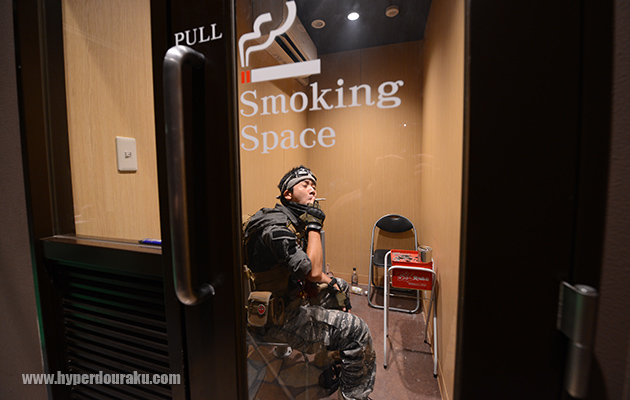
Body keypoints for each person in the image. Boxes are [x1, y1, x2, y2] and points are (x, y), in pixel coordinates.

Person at [243, 165, 376, 400]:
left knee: (340, 287)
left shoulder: (290, 221)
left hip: (286, 300)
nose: (312, 190)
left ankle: (330, 355)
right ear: (288, 194)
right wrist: (314, 226)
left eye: (314, 185)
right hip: (276, 320)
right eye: (305, 185)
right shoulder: (276, 228)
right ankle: (354, 395)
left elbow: (303, 272)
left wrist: (329, 281)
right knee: (358, 331)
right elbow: (313, 272)